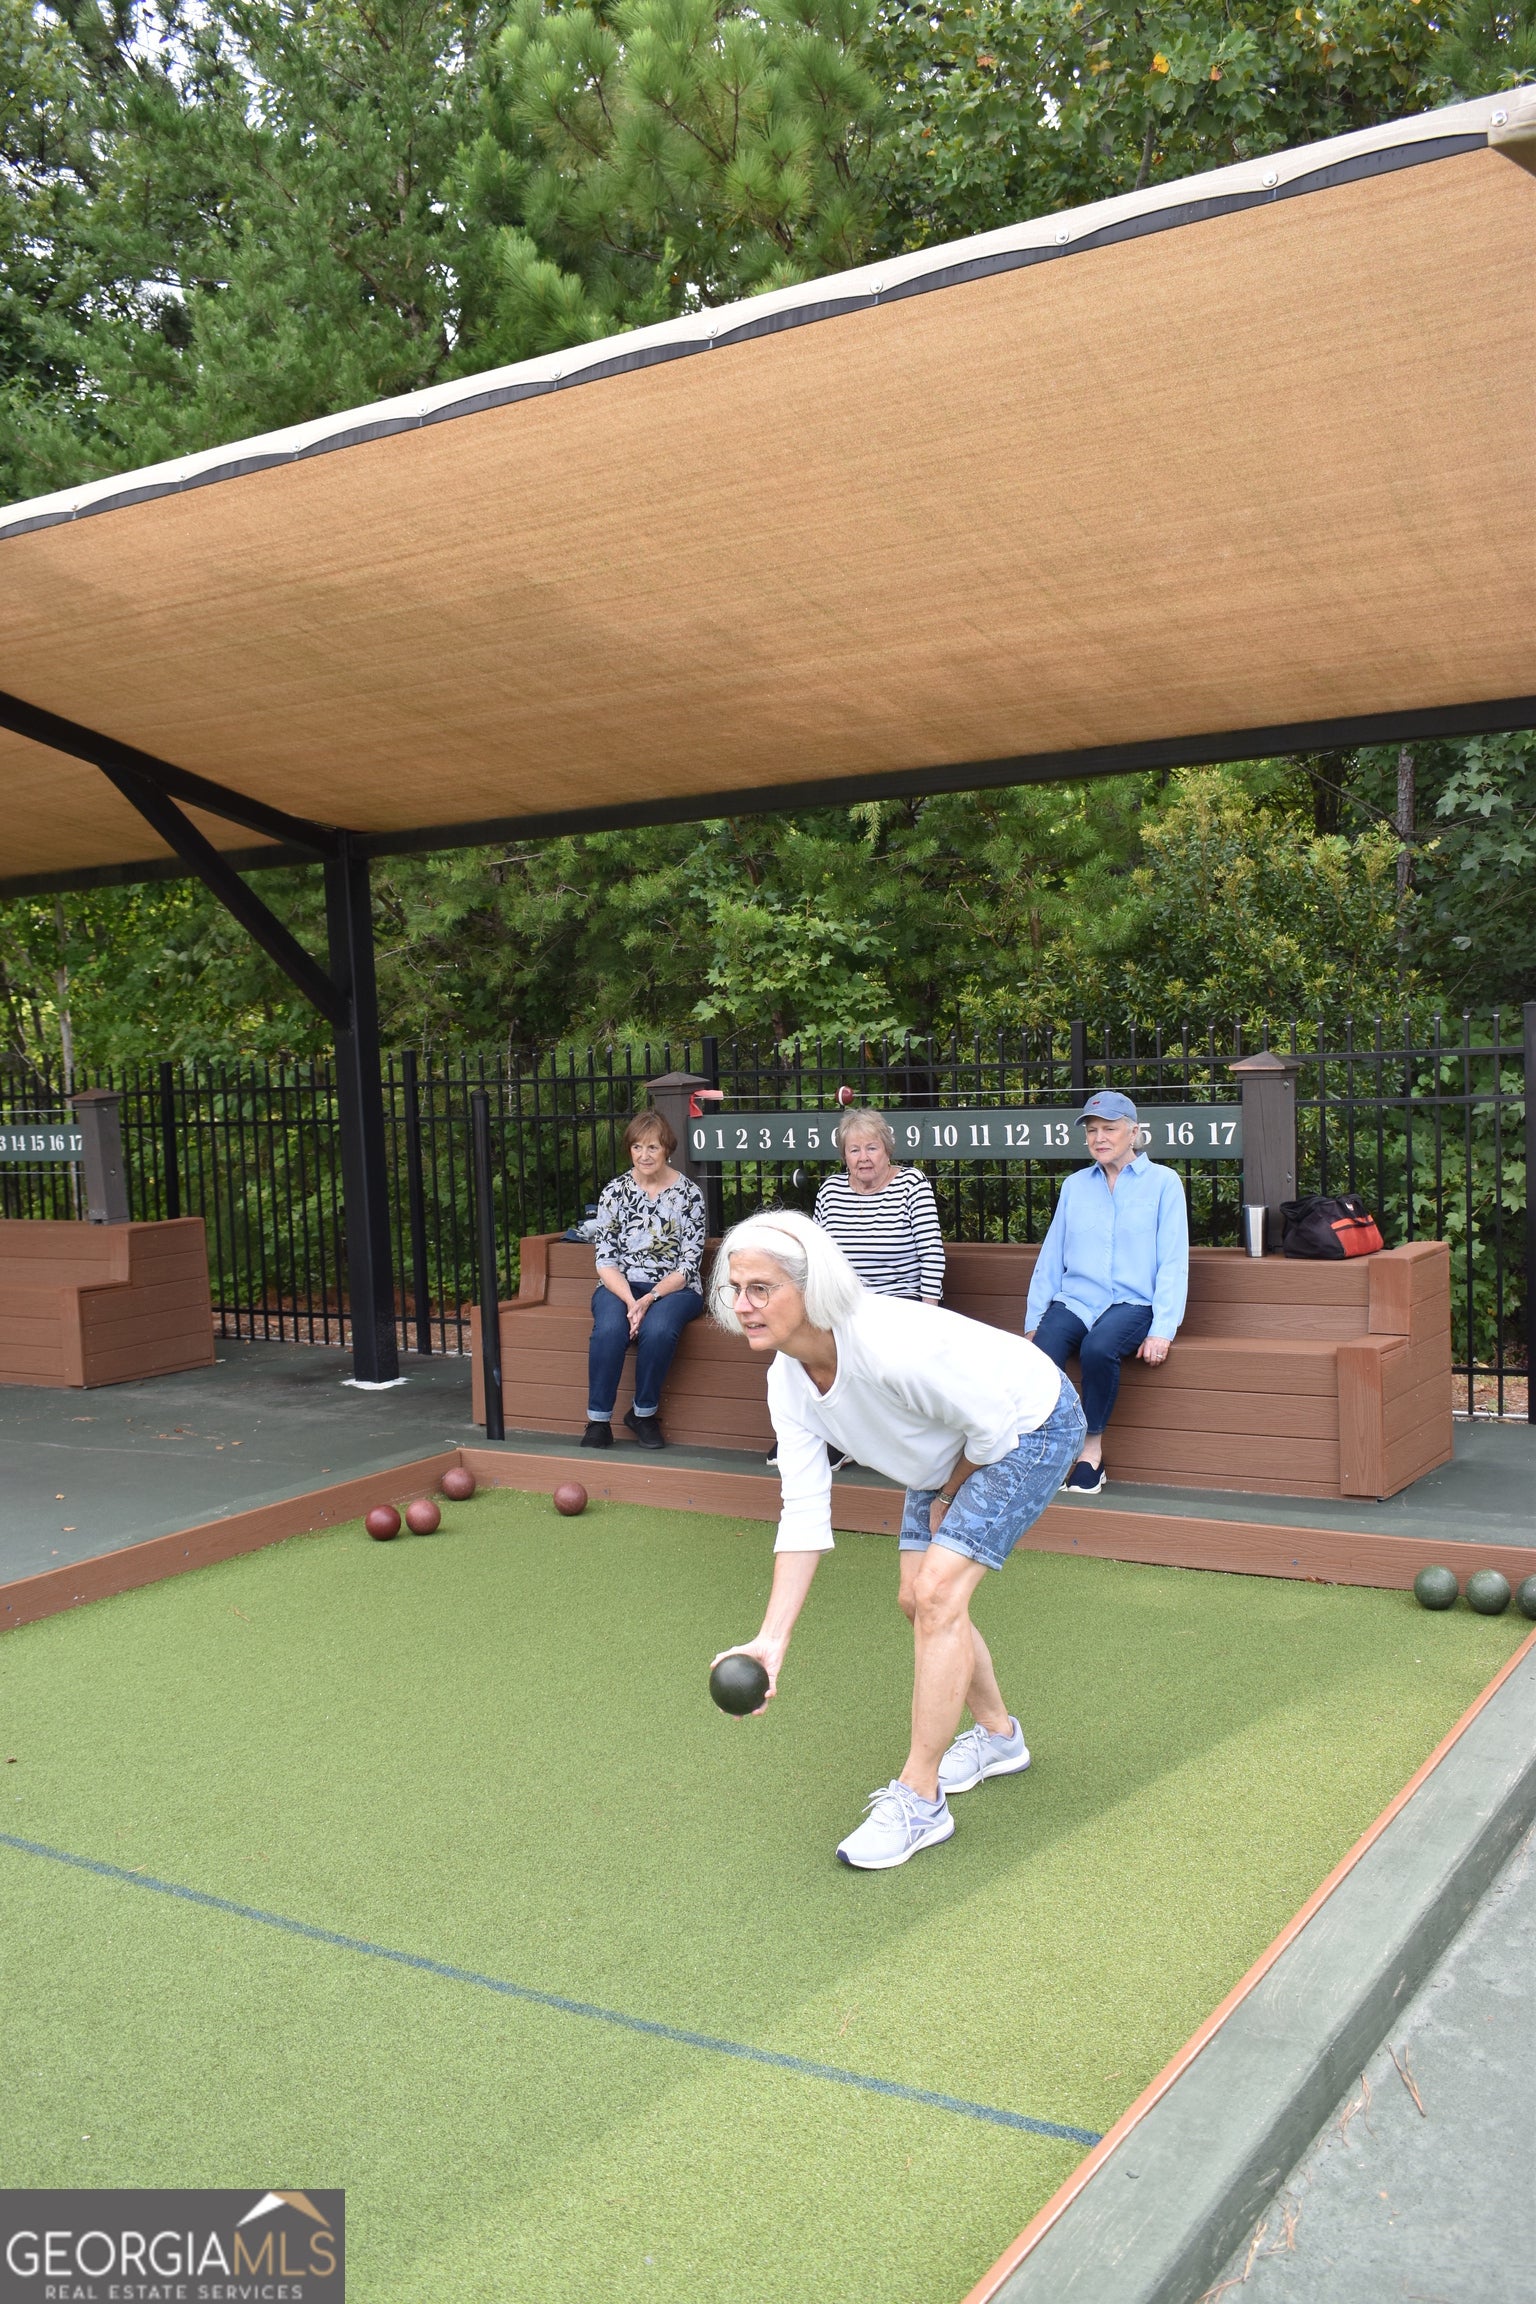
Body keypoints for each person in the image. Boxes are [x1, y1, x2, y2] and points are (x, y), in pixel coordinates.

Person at [710, 1209, 1085, 1871]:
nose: (743, 1306)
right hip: (945, 1447)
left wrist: (943, 1498)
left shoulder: (889, 1347)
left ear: (812, 1289)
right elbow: (804, 1511)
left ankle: (920, 1799)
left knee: (939, 1595)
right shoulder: (787, 1382)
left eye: (761, 1288)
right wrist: (772, 1639)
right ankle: (999, 1737)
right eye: (735, 1289)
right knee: (917, 1599)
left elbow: (993, 1430)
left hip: (1028, 1424)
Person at [1025, 1090, 1188, 1496]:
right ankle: (1047, 1449)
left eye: (1109, 1129)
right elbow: (1051, 1256)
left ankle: (1090, 1453)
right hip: (1077, 1300)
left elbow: (1173, 1260)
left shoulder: (1164, 1183)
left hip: (1133, 1302)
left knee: (1098, 1348)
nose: (1099, 1138)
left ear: (1133, 1133)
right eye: (1092, 1130)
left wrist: (1162, 1330)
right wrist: (1034, 1319)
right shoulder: (1075, 1186)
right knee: (1040, 1353)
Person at [581, 1111, 706, 1451]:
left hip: (675, 1288)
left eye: (652, 1147)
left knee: (659, 1329)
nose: (644, 1155)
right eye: (637, 1147)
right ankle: (598, 1422)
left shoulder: (689, 1195)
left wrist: (649, 1299)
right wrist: (630, 1301)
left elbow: (688, 1265)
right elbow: (605, 1261)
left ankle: (643, 1414)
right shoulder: (615, 1192)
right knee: (610, 1328)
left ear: (667, 1149)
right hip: (620, 1286)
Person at [813, 1108, 945, 1303]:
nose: (863, 1157)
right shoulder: (830, 1190)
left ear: (887, 1150)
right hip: (844, 1304)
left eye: (872, 1148)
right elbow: (816, 1256)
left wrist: (929, 1311)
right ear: (845, 1156)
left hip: (899, 1302)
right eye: (854, 1150)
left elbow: (932, 1254)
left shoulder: (911, 1184)